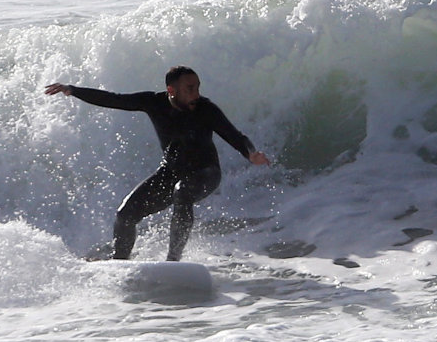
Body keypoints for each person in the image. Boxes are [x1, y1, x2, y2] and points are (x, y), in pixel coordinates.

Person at [45, 66, 270, 261]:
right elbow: (114, 99)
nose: (196, 93)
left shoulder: (206, 109)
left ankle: (173, 261)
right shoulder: (153, 102)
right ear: (171, 90)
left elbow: (235, 135)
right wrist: (73, 90)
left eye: (197, 87)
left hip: (206, 173)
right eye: (189, 88)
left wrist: (251, 153)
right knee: (125, 215)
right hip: (171, 172)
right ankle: (119, 262)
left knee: (182, 193)